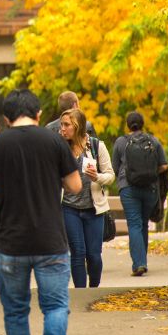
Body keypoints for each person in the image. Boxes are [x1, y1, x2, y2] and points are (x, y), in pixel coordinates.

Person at [0, 90, 82, 335]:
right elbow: (75, 185)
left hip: (11, 242)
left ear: (6, 118)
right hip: (51, 240)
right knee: (56, 305)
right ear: (37, 114)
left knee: (15, 310)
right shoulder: (54, 141)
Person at [60, 108, 114, 288]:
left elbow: (110, 175)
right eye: (62, 125)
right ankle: (81, 293)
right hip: (69, 208)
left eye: (66, 125)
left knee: (94, 255)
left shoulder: (97, 146)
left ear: (77, 126)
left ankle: (94, 289)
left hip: (94, 210)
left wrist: (96, 177)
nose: (63, 129)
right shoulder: (61, 148)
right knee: (77, 253)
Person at [113, 110, 168, 277]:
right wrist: (151, 172)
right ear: (143, 124)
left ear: (128, 125)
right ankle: (141, 261)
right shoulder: (153, 141)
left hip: (128, 188)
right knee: (143, 223)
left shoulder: (121, 142)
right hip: (150, 188)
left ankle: (139, 263)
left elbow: (115, 168)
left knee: (134, 224)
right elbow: (164, 165)